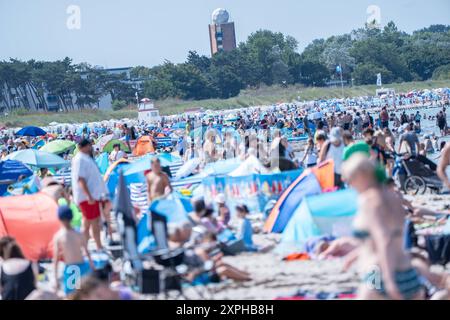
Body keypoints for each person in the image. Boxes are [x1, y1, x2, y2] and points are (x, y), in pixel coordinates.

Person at [342, 154, 424, 300]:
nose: (349, 184)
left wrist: (389, 279)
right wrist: (355, 255)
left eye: (350, 179)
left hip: (379, 272)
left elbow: (384, 239)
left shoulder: (369, 200)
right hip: (408, 272)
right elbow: (393, 236)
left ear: (362, 175)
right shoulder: (393, 197)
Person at [71, 139, 109, 250]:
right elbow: (80, 179)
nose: (91, 148)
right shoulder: (80, 159)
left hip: (91, 196)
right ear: (86, 146)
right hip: (87, 197)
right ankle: (98, 246)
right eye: (90, 146)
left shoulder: (85, 158)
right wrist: (89, 196)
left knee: (87, 223)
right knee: (94, 222)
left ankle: (84, 247)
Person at [53, 206, 94, 296]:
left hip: (72, 268)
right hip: (82, 266)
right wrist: (92, 267)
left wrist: (55, 278)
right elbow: (87, 253)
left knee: (72, 295)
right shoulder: (79, 234)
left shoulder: (59, 236)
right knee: (84, 294)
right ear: (71, 217)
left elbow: (55, 259)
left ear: (59, 219)